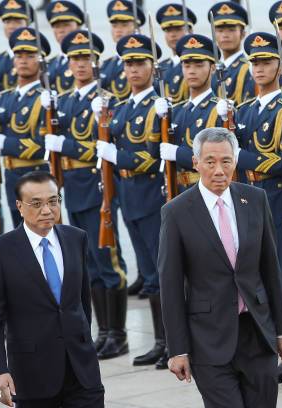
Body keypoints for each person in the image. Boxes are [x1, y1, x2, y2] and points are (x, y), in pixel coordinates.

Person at [160, 127, 282, 408]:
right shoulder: (176, 212)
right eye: (210, 162)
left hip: (257, 333)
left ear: (236, 161)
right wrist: (177, 350)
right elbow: (170, 287)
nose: (219, 170)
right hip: (209, 338)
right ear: (195, 163)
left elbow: (271, 269)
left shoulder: (255, 199)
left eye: (226, 161)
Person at [0, 171, 104, 408]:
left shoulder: (76, 238)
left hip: (83, 374)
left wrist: (85, 343)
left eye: (53, 201)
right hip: (31, 376)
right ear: (19, 206)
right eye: (36, 204)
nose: (47, 210)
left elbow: (82, 300)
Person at [232, 31, 282, 388]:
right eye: (255, 62)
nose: (260, 68)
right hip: (251, 205)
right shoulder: (246, 110)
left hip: (280, 206)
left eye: (267, 62)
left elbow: (280, 162)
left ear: (281, 65)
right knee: (265, 284)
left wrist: (237, 152)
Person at [45, 29, 129, 360]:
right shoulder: (64, 101)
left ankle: (118, 333)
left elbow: (102, 148)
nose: (81, 64)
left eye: (87, 58)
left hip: (96, 187)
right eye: (75, 59)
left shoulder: (105, 101)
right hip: (71, 190)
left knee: (108, 261)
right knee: (88, 265)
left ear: (96, 61)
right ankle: (104, 331)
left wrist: (66, 144)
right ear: (67, 64)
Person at [95, 33, 168, 368]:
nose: (134, 69)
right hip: (128, 196)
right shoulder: (122, 109)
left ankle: (173, 342)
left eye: (140, 63)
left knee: (162, 271)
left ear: (153, 66)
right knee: (149, 273)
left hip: (152, 196)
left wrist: (116, 155)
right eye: (129, 64)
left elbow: (152, 157)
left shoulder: (159, 106)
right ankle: (160, 341)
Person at [0, 27, 51, 228]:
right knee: (21, 239)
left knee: (39, 235)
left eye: (30, 56)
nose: (23, 60)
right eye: (18, 55)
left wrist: (3, 143)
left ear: (41, 61)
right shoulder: (6, 97)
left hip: (35, 176)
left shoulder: (44, 99)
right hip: (11, 176)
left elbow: (40, 146)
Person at [156, 33, 224, 192]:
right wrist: (157, 120)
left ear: (212, 68)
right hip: (178, 192)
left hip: (208, 191)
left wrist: (178, 153)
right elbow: (156, 153)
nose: (192, 71)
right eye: (187, 65)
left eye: (199, 65)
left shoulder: (219, 110)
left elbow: (217, 159)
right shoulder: (177, 110)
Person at [208, 2, 255, 105]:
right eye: (220, 31)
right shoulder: (212, 70)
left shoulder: (249, 68)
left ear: (242, 34)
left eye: (231, 30)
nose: (225, 35)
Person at [100, 0, 143, 100]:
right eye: (115, 26)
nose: (118, 30)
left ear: (136, 28)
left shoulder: (144, 61)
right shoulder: (106, 65)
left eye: (124, 25)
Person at [155, 3, 197, 105]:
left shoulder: (199, 64)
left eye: (178, 29)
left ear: (190, 31)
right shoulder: (161, 66)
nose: (173, 35)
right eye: (168, 31)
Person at [0, 0, 34, 91]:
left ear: (27, 25)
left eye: (17, 22)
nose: (11, 26)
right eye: (7, 22)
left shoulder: (36, 57)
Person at [46, 1, 83, 94]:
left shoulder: (90, 61)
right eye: (57, 26)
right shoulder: (50, 64)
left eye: (66, 25)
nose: (61, 30)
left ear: (78, 27)